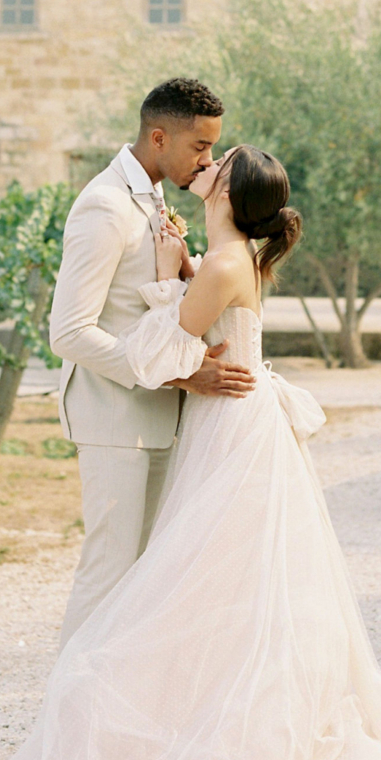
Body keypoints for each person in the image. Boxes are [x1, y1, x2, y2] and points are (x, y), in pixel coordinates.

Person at [0, 143, 381, 760]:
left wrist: (168, 278)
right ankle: (199, 712)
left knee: (195, 575)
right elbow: (211, 304)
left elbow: (160, 348)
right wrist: (185, 266)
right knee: (225, 580)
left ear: (226, 191)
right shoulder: (232, 259)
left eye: (217, 163)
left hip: (229, 425)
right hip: (238, 421)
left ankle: (132, 720)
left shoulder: (226, 264)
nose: (207, 164)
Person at [47, 78, 254, 647]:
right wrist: (184, 374)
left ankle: (113, 716)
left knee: (143, 578)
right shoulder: (104, 206)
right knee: (108, 573)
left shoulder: (155, 197)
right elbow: (69, 332)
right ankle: (71, 720)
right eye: (199, 148)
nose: (208, 160)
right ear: (158, 137)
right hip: (114, 419)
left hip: (161, 418)